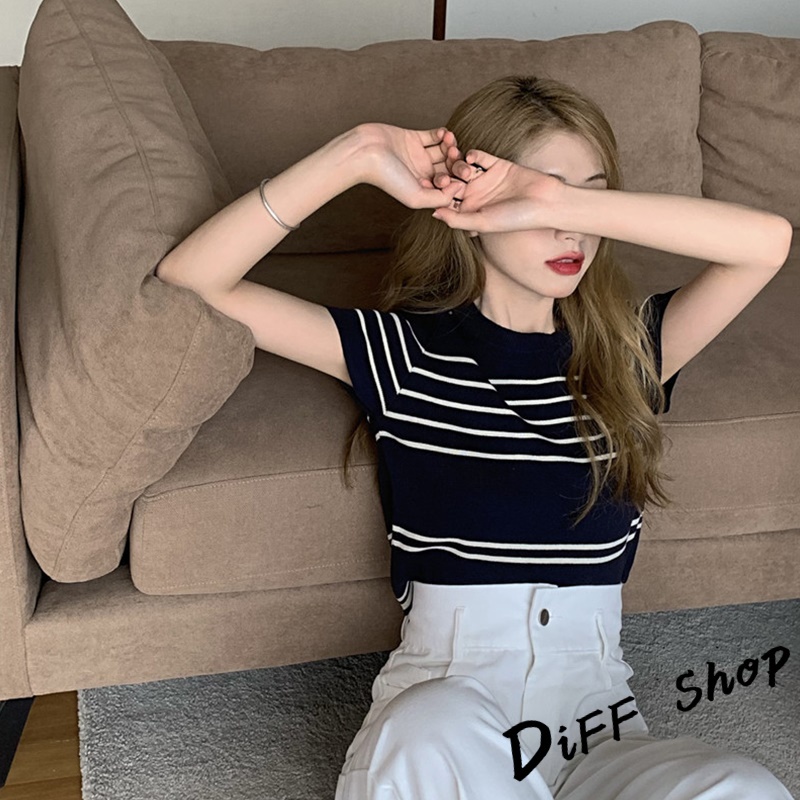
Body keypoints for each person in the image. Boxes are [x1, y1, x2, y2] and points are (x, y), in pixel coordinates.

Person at [155, 76, 795, 799]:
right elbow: (192, 278)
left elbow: (766, 244)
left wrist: (551, 198)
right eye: (539, 200)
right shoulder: (403, 354)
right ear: (468, 205)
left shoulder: (632, 354)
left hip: (599, 729)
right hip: (451, 711)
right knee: (425, 730)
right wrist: (356, 153)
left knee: (740, 788)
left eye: (586, 200)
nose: (571, 235)